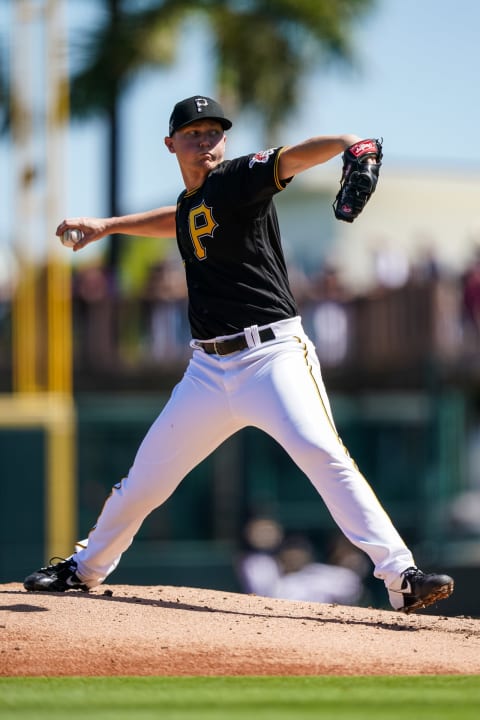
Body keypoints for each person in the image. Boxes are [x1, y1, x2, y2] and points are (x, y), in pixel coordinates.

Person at [24, 95, 454, 613]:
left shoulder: (235, 179)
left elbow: (293, 158)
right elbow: (181, 218)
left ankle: (400, 575)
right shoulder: (196, 202)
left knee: (325, 456)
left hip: (272, 356)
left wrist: (349, 145)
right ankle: (85, 568)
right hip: (207, 371)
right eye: (193, 133)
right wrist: (109, 226)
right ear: (171, 144)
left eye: (213, 132)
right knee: (144, 480)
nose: (205, 141)